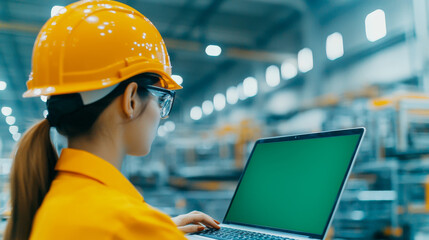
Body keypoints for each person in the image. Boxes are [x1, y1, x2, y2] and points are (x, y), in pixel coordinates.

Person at [4, 1, 220, 239]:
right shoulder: (127, 224)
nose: (160, 112)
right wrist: (151, 230)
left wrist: (156, 227)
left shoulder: (53, 200)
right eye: (161, 99)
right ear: (131, 101)